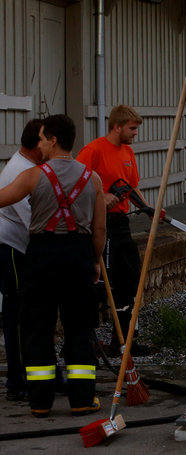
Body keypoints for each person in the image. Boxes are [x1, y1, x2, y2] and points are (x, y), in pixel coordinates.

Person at [0, 114, 106, 417]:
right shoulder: (92, 179)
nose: (40, 144)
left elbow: (3, 198)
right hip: (78, 255)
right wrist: (95, 260)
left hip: (42, 256)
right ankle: (82, 399)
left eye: (43, 138)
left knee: (37, 328)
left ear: (54, 140)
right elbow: (100, 230)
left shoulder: (33, 176)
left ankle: (40, 402)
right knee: (79, 328)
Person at [77, 105, 145, 354]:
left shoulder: (128, 152)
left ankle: (124, 339)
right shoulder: (93, 151)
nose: (135, 133)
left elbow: (132, 187)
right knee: (99, 281)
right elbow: (76, 182)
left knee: (130, 276)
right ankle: (85, 341)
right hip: (98, 223)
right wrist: (101, 196)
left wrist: (149, 208)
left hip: (121, 223)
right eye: (132, 128)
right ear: (117, 127)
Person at [0, 119, 43, 401]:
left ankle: (32, 374)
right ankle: (17, 381)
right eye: (48, 141)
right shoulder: (20, 171)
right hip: (12, 248)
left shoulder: (29, 167)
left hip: (20, 247)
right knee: (16, 314)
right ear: (38, 145)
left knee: (28, 313)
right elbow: (35, 220)